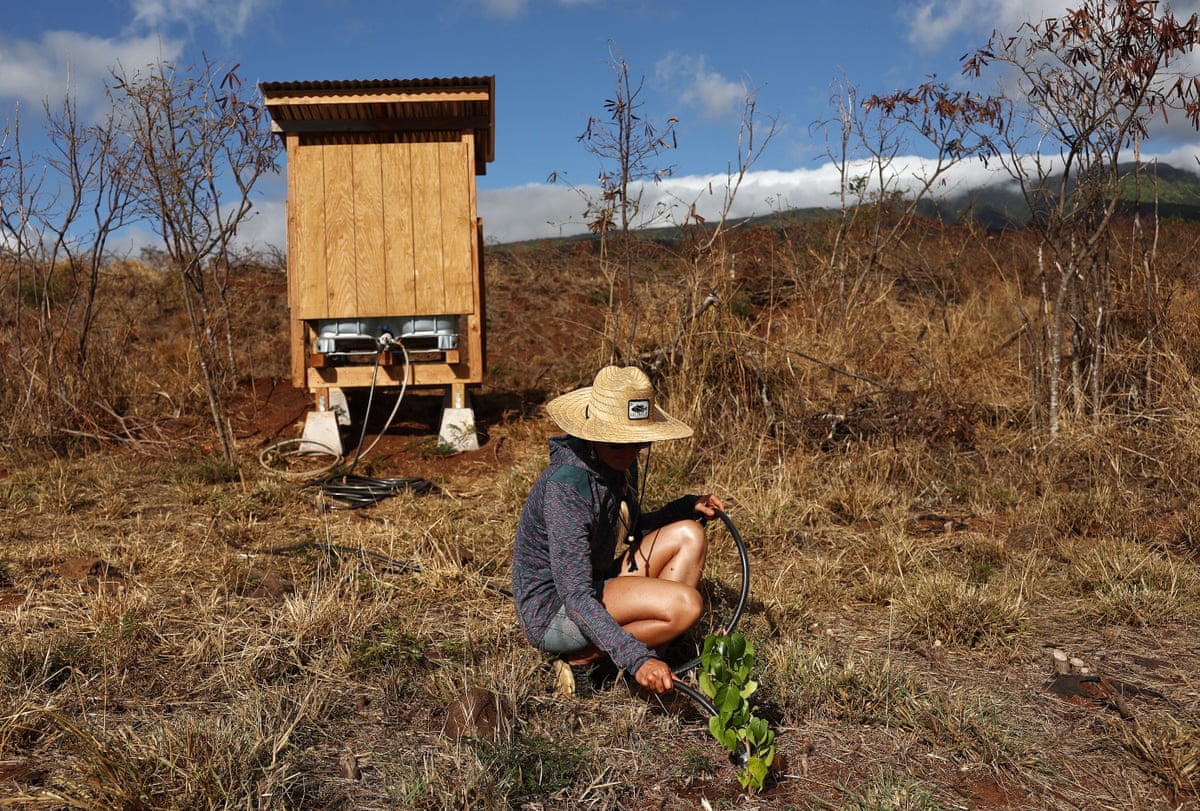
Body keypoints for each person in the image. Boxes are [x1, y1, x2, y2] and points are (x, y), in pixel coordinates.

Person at [511, 365, 724, 696]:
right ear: (594, 434)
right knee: (687, 606)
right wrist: (636, 658)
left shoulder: (616, 462)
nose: (628, 453)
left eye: (638, 443)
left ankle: (651, 668)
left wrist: (685, 507)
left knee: (689, 535)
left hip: (594, 583)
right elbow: (577, 597)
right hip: (556, 613)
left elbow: (629, 527)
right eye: (618, 444)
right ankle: (587, 658)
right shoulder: (566, 489)